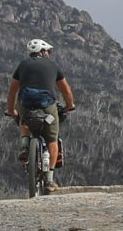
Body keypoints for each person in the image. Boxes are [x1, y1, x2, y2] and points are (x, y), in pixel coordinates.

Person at [6, 38, 76, 193]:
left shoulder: (23, 65)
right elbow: (66, 90)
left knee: (23, 120)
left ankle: (25, 145)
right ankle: (50, 179)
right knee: (52, 139)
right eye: (48, 52)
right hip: (47, 108)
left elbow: (12, 91)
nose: (49, 54)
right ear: (43, 52)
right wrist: (69, 106)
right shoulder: (53, 66)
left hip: (26, 105)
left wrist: (11, 110)